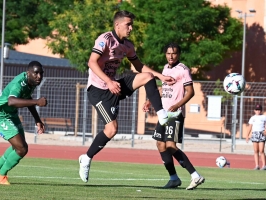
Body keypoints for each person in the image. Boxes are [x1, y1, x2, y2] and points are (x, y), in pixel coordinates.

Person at [78, 10, 181, 183]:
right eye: (128, 24)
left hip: (115, 85)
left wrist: (160, 76)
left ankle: (162, 114)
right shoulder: (105, 39)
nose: (131, 28)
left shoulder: (128, 46)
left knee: (148, 77)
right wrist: (108, 82)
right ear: (117, 24)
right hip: (99, 90)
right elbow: (91, 62)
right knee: (112, 129)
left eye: (131, 24)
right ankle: (86, 158)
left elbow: (140, 66)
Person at [143, 43, 205, 190]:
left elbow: (190, 92)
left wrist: (178, 105)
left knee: (170, 145)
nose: (171, 56)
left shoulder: (183, 70)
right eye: (168, 53)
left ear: (179, 54)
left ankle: (195, 176)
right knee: (160, 144)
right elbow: (164, 89)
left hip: (175, 114)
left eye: (174, 53)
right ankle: (173, 179)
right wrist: (150, 100)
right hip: (164, 114)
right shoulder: (165, 68)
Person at [0, 61, 47, 185]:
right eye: (36, 73)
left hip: (11, 113)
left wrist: (37, 119)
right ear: (28, 73)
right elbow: (12, 101)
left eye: (41, 73)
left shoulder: (31, 83)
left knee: (18, 146)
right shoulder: (19, 83)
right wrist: (37, 102)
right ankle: (1, 175)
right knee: (22, 149)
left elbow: (27, 99)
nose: (39, 76)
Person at [246, 104, 266, 170]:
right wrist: (247, 136)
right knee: (255, 150)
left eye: (259, 110)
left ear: (261, 110)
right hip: (255, 134)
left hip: (261, 133)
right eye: (257, 110)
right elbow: (250, 127)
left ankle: (264, 165)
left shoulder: (264, 117)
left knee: (261, 150)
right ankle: (257, 165)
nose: (258, 111)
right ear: (254, 110)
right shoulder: (252, 118)